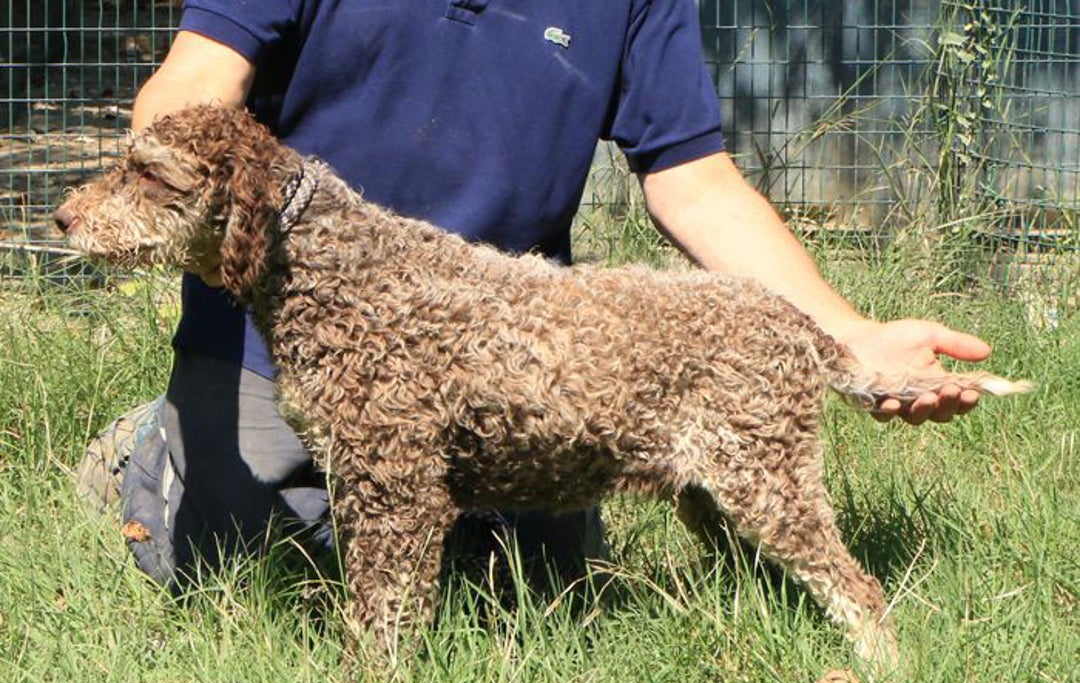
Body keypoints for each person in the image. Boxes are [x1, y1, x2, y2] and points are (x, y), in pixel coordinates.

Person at [77, 0, 993, 592]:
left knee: (524, 600)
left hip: (512, 361)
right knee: (244, 581)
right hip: (274, 340)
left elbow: (696, 183)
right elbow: (196, 81)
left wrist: (850, 336)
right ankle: (146, 451)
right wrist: (197, 176)